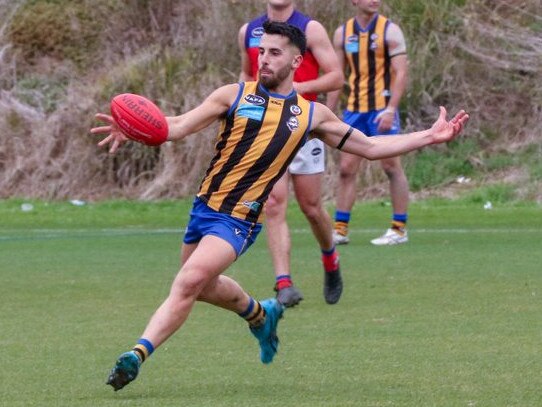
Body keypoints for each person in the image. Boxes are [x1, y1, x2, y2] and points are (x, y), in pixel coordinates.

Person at [91, 21, 468, 391]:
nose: (264, 60)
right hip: (204, 208)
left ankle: (136, 355)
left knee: (188, 281)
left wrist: (428, 136)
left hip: (239, 220)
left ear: (295, 61)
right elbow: (174, 127)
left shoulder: (310, 115)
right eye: (261, 52)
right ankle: (260, 313)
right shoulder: (232, 95)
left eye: (274, 53)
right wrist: (136, 128)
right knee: (203, 288)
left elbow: (369, 147)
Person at [238, 0, 344, 307]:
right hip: (268, 129)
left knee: (311, 208)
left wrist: (299, 86)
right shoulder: (249, 31)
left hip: (302, 126)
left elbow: (336, 77)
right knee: (272, 203)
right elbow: (246, 75)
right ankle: (284, 283)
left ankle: (331, 259)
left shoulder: (311, 29)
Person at [328, 0, 410, 246]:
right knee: (346, 168)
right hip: (354, 111)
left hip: (382, 110)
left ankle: (399, 229)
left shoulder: (390, 31)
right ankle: (340, 230)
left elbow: (401, 72)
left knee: (390, 165)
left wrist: (391, 109)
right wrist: (326, 113)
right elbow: (336, 77)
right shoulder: (343, 33)